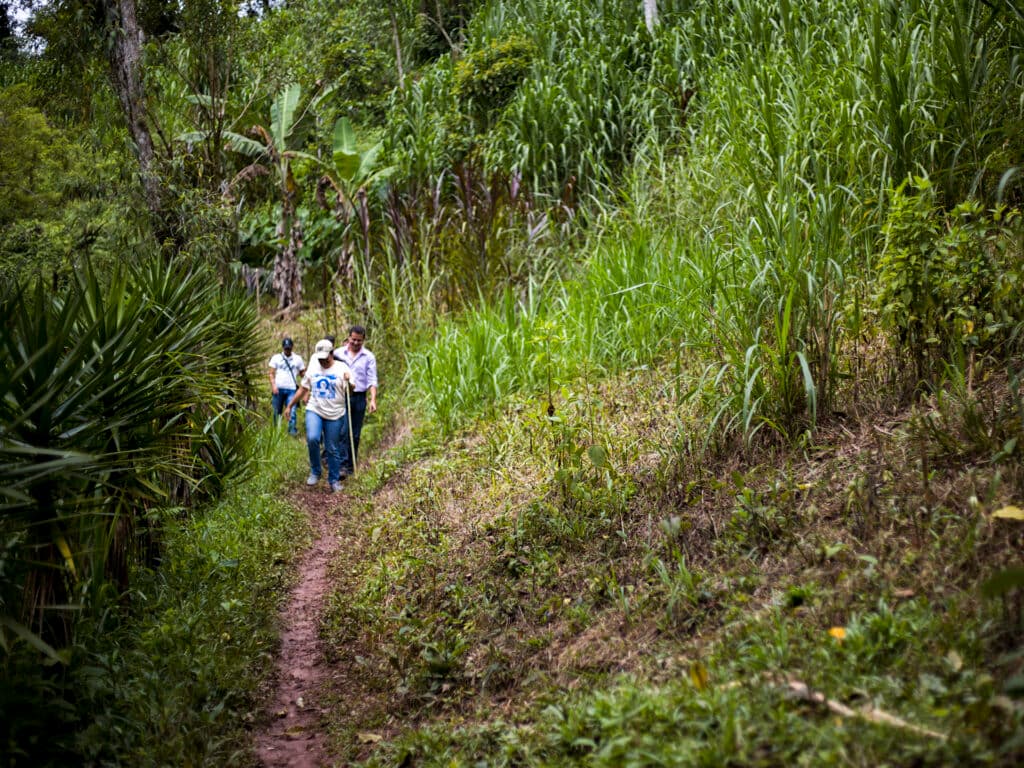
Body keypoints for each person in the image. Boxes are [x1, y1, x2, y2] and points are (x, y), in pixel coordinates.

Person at [284, 339, 353, 492]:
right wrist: (289, 405)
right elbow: (303, 388)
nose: (322, 361)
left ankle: (334, 480)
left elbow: (351, 391)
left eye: (325, 358)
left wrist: (350, 382)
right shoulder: (314, 367)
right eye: (320, 358)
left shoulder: (342, 368)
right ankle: (316, 471)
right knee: (313, 438)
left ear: (332, 353)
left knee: (332, 448)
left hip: (335, 413)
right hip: (315, 409)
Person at [336, 325, 378, 478]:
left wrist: (373, 399)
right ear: (348, 338)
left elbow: (372, 380)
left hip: (359, 397)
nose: (355, 343)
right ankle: (342, 465)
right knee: (343, 431)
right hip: (342, 396)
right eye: (353, 339)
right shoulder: (338, 354)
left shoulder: (369, 357)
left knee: (355, 434)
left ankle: (350, 465)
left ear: (363, 340)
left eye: (359, 341)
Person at [267, 337, 305, 436]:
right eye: (286, 348)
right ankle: (275, 432)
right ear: (283, 348)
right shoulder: (276, 358)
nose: (287, 350)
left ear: (292, 347)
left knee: (292, 411)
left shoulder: (297, 359)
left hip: (291, 389)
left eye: (289, 348)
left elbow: (302, 373)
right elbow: (271, 373)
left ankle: (292, 431)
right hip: (278, 388)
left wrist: (305, 386)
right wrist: (273, 385)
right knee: (276, 412)